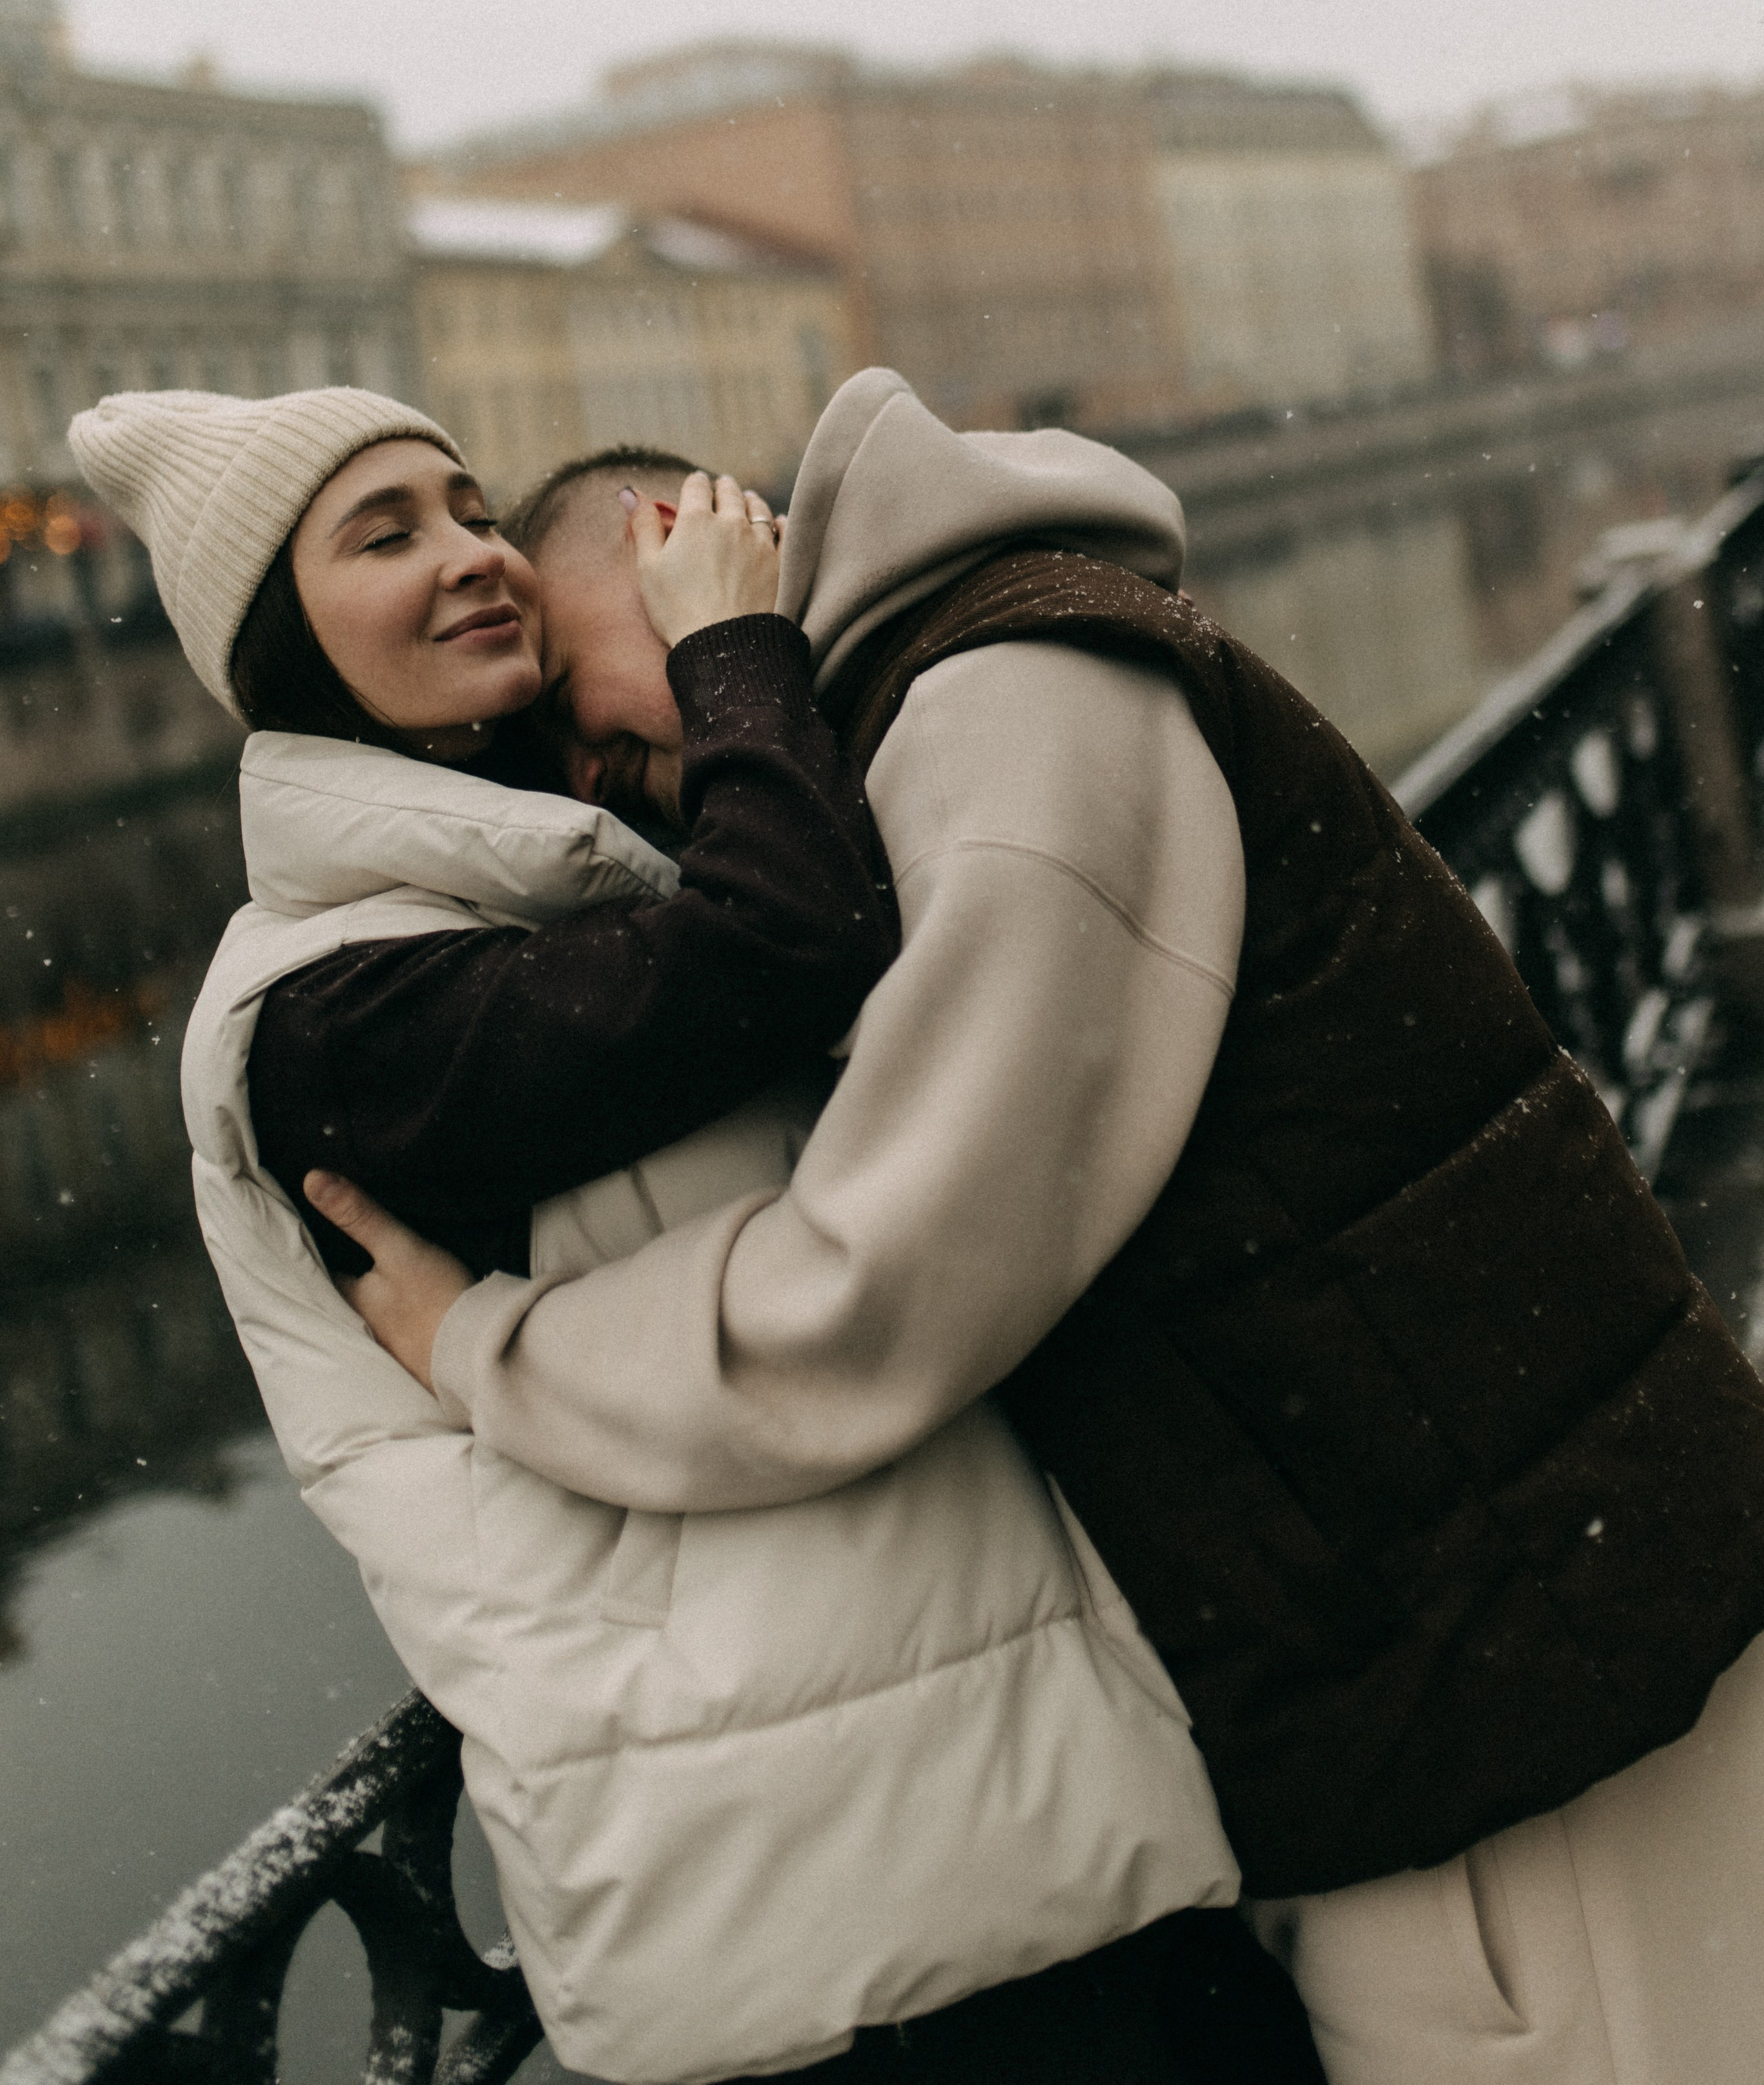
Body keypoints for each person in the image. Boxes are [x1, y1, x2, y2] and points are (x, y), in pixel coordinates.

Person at [315, 365, 1764, 2085]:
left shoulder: (1001, 702)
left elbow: (884, 1286)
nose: (593, 775)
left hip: (1487, 1675)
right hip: (1443, 1622)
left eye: (579, 695)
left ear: (685, 543)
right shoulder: (954, 695)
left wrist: (490, 1347)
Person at [67, 385, 1299, 2085]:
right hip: (820, 1909)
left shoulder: (533, 878)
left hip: (990, 1810)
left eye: (468, 505)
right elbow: (789, 940)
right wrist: (730, 649)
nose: (469, 556)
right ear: (284, 648)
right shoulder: (331, 1019)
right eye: (384, 534)